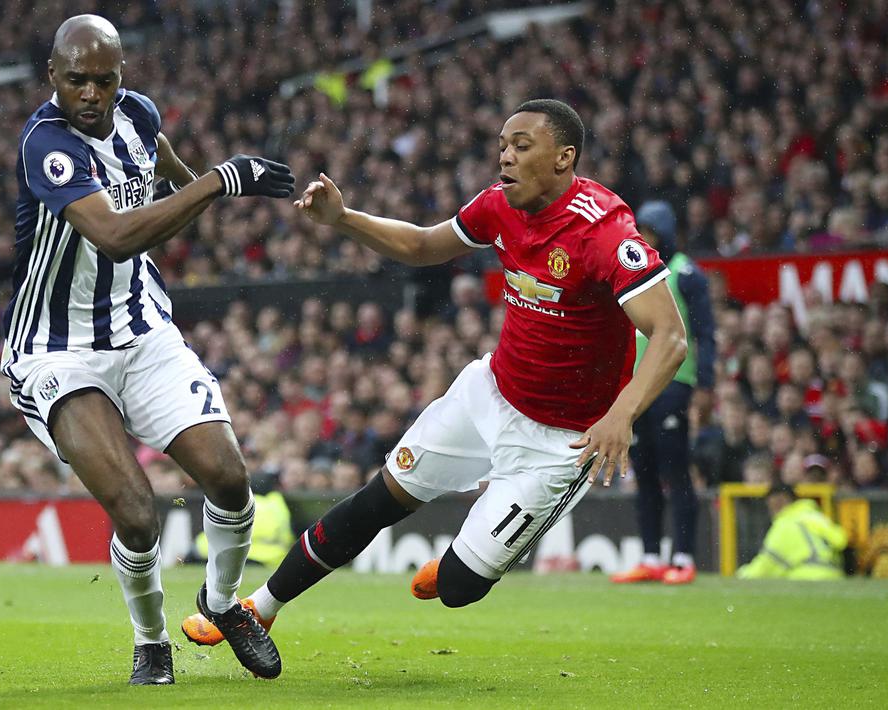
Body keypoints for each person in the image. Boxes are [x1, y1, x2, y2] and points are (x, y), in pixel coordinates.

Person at [182, 100, 687, 658]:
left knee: (458, 589)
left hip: (560, 441)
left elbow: (670, 335)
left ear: (565, 157)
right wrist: (345, 220)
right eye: (503, 145)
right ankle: (258, 608)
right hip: (489, 394)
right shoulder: (499, 205)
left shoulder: (604, 232)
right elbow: (423, 245)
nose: (505, 157)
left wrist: (622, 414)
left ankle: (462, 559)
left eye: (522, 146)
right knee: (378, 500)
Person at [1, 15, 294, 684]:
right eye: (75, 79)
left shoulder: (138, 116)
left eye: (103, 81)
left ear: (120, 78)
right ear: (52, 77)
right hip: (58, 352)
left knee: (227, 476)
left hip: (143, 333)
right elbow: (114, 237)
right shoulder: (47, 144)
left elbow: (166, 169)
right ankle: (152, 642)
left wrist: (198, 185)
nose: (90, 94)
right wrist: (218, 180)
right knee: (136, 511)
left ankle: (222, 605)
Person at [611, 201, 715, 585]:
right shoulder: (632, 270)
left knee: (676, 470)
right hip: (635, 388)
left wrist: (705, 383)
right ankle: (652, 556)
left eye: (651, 234)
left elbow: (705, 333)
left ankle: (684, 557)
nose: (643, 239)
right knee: (645, 472)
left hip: (673, 383)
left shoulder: (686, 274)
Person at [737, 483, 848, 580]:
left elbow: (765, 566)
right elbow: (841, 540)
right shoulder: (816, 517)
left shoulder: (784, 525)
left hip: (805, 579)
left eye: (771, 506)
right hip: (835, 576)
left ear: (780, 501)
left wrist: (743, 574)